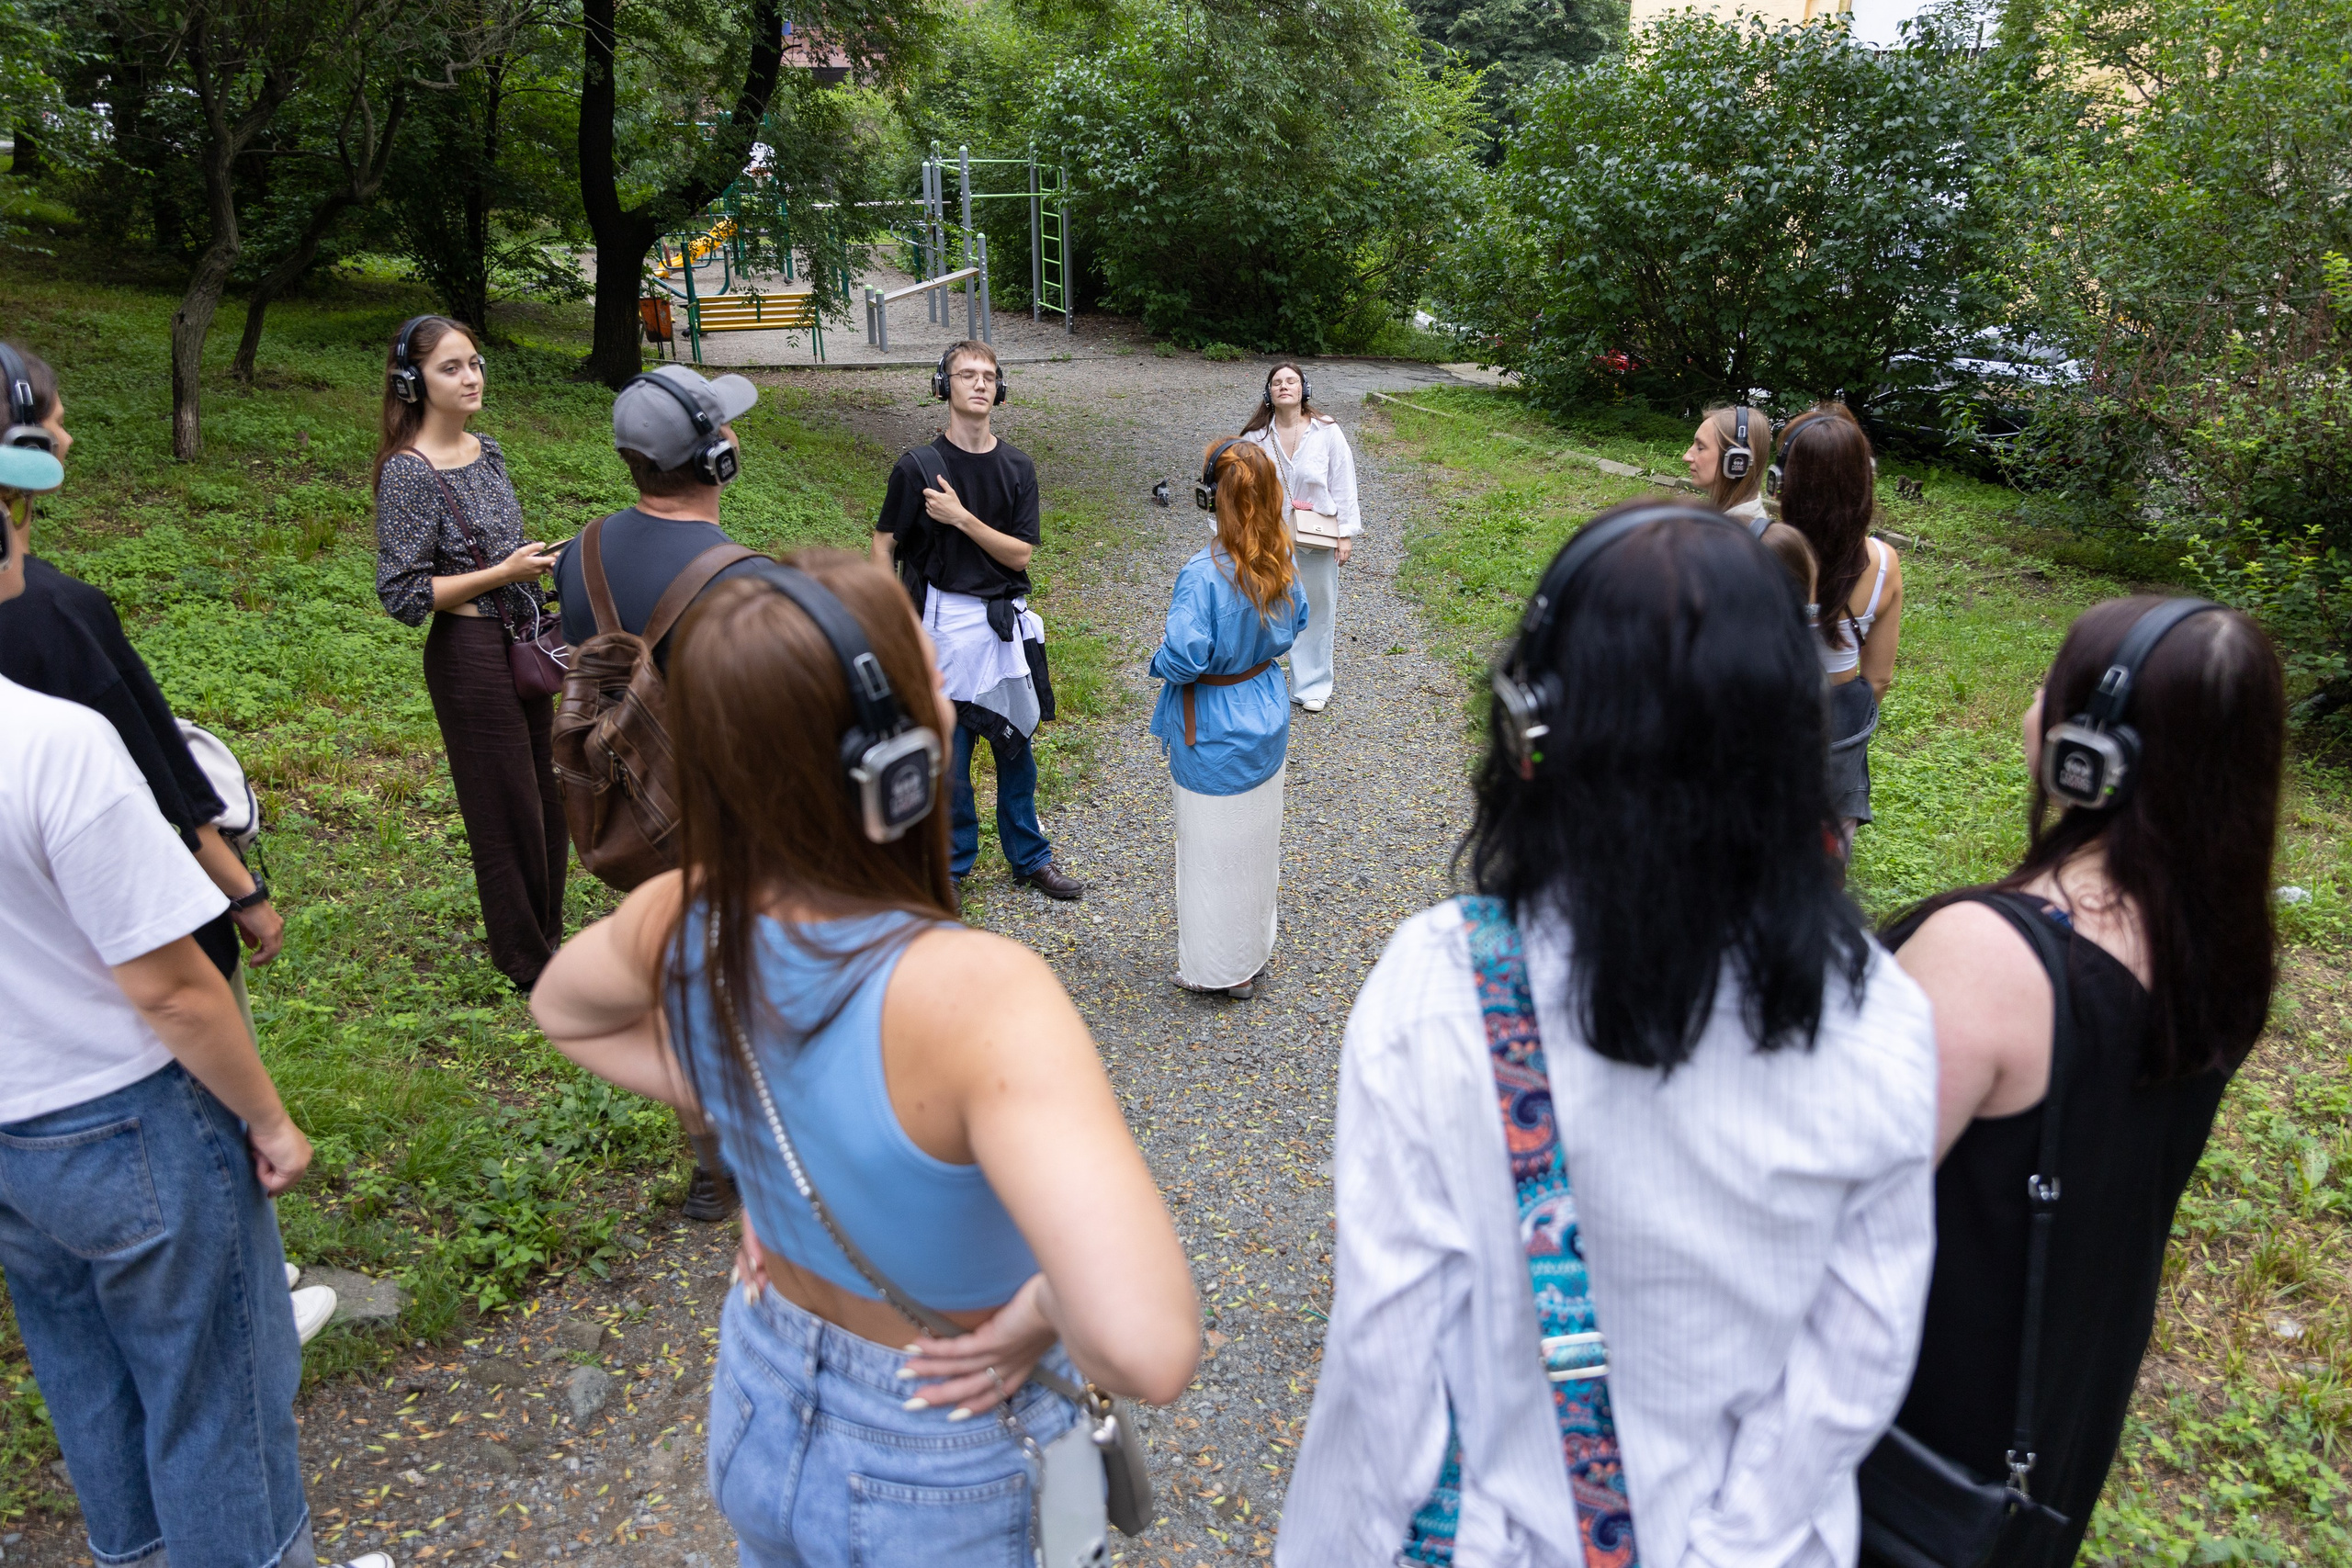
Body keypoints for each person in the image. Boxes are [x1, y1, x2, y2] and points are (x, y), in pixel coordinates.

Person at [1279, 502, 1938, 1567]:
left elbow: (1389, 1361)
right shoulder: (1881, 1017)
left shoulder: (1442, 990)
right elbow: (1855, 1363)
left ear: (1530, 728)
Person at [530, 550, 1197, 1565]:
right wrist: (1040, 1309)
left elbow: (565, 1010)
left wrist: (751, 1113)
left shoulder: (686, 914)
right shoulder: (984, 999)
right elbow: (1149, 1347)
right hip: (940, 1457)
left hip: (761, 1390)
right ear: (898, 761)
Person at [2, 456, 385, 1568]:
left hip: (14, 1141)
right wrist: (270, 1120)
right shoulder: (53, 743)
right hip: (127, 1117)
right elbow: (170, 987)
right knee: (217, 1403)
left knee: (88, 1384)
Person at [1871, 597, 2284, 1568]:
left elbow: (1822, 1198)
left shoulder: (1988, 954)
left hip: (1910, 1441)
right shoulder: (2221, 941)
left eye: (2047, 685)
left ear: (2090, 753)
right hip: (2051, 1420)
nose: (2031, 703)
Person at [0, 342, 288, 1048]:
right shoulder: (57, 613)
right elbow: (160, 782)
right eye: (55, 424)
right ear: (23, 451)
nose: (68, 438)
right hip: (129, 944)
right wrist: (244, 891)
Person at [547, 363, 772, 1224]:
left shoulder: (580, 554)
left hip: (639, 809)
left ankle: (711, 1162)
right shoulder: (742, 580)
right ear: (717, 458)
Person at [373, 315, 568, 993]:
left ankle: (549, 939)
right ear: (412, 382)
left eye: (475, 363)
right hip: (469, 654)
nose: (471, 377)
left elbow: (500, 553)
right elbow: (402, 593)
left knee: (546, 795)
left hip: (521, 640)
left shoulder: (488, 451)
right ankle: (525, 960)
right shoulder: (409, 472)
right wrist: (500, 575)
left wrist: (533, 567)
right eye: (450, 368)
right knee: (504, 805)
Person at [870, 339, 1083, 900]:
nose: (980, 383)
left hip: (1002, 626)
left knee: (1017, 749)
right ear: (944, 386)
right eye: (966, 375)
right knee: (951, 759)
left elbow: (1020, 554)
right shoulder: (917, 467)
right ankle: (951, 866)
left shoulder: (1017, 467)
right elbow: (883, 544)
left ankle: (1030, 858)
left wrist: (961, 517)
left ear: (1000, 388)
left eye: (988, 375)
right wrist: (892, 621)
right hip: (941, 626)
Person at [1148, 440, 1307, 1000]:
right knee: (1256, 843)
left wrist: (1157, 661)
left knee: (1210, 852)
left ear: (1212, 497)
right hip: (1265, 704)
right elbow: (1299, 619)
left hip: (1213, 724)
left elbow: (1184, 658)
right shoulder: (1280, 556)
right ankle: (1252, 952)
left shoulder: (1202, 574)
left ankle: (1219, 969)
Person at [1779, 412, 1904, 859]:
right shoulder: (1884, 563)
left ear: (1783, 481)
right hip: (1837, 742)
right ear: (1865, 480)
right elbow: (1879, 678)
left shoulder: (1761, 551)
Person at [1240, 362, 1360, 713]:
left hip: (1316, 537)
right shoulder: (1255, 437)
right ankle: (1255, 681)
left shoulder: (1327, 431)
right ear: (1268, 393)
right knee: (1263, 608)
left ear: (1303, 389)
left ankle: (1312, 686)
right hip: (1269, 537)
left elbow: (1343, 482)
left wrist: (1345, 534)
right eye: (1277, 382)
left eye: (1291, 381)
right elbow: (1241, 489)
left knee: (1318, 610)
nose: (1284, 386)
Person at [1680, 403, 1776, 525]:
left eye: (1700, 447)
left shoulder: (1733, 532)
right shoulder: (1729, 522)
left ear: (1736, 459)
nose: (1686, 457)